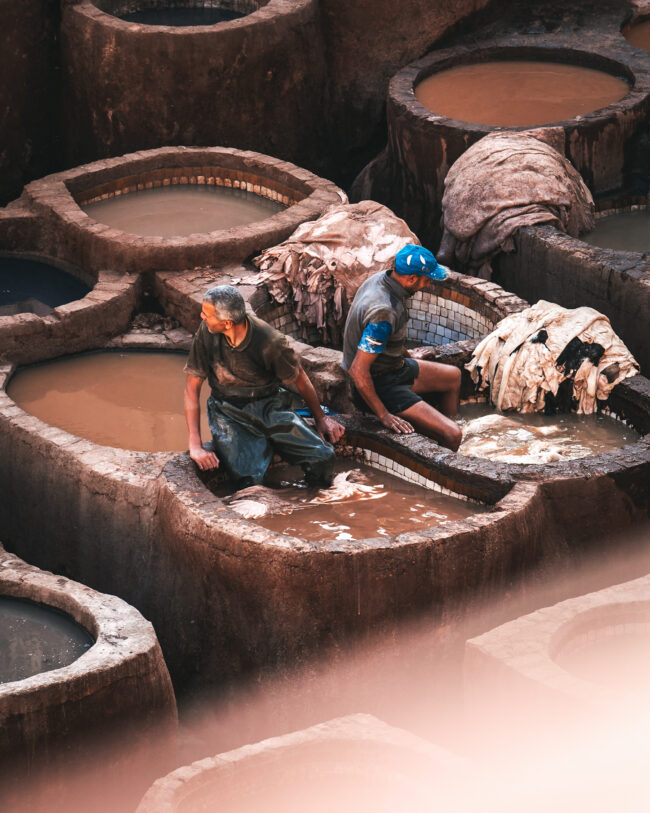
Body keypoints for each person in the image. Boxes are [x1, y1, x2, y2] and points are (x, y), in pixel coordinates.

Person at [184, 285, 344, 488]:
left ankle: (312, 500)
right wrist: (195, 444)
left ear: (227, 323)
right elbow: (191, 389)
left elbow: (300, 379)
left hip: (270, 405)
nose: (202, 317)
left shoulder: (270, 341)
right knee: (251, 480)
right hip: (227, 410)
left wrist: (320, 418)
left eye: (206, 314)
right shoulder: (206, 332)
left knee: (323, 457)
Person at [342, 244, 462, 451]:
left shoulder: (384, 278)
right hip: (380, 385)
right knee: (453, 434)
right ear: (411, 279)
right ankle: (447, 453)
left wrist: (409, 355)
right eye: (426, 279)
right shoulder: (383, 311)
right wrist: (384, 415)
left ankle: (449, 422)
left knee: (453, 376)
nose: (427, 284)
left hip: (393, 367)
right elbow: (358, 371)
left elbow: (387, 340)